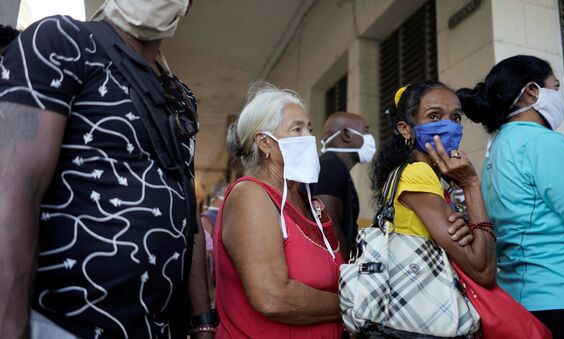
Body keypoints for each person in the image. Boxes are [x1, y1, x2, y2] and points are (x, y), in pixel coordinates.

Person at [0, 1, 214, 338]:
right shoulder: (61, 41)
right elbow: (12, 190)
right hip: (65, 324)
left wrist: (202, 319)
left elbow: (189, 217)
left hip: (155, 329)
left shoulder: (179, 96)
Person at [457, 55, 564, 338]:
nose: (558, 97)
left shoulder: (496, 152)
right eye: (555, 88)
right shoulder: (544, 143)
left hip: (518, 307)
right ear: (532, 91)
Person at [215, 82, 344, 338]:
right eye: (296, 129)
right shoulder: (251, 196)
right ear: (264, 143)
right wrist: (353, 305)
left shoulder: (307, 201)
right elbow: (273, 296)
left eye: (309, 129)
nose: (308, 138)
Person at [370, 80, 498, 336]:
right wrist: (472, 184)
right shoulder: (418, 174)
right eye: (434, 116)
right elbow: (482, 270)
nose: (449, 125)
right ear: (406, 130)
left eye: (456, 117)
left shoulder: (431, 177)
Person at [314, 112, 375, 260]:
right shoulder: (330, 167)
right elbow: (329, 228)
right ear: (346, 135)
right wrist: (347, 270)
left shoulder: (333, 166)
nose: (370, 138)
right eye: (365, 132)